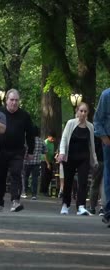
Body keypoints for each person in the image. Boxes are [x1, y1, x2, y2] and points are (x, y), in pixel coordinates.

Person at [0, 89, 34, 212]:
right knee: (0, 176)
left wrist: (31, 151)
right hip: (0, 150)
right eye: (11, 100)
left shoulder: (25, 116)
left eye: (16, 100)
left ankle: (15, 201)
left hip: (17, 151)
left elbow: (30, 134)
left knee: (16, 174)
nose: (14, 103)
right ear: (6, 100)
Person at [58, 102, 97, 215]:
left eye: (85, 111)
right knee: (68, 181)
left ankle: (81, 206)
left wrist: (94, 160)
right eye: (81, 111)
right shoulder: (70, 123)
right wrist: (62, 152)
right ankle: (65, 204)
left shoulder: (90, 126)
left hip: (83, 158)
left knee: (83, 181)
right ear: (77, 111)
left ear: (88, 113)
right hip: (70, 157)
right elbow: (64, 138)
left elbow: (92, 145)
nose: (83, 113)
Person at [92, 88, 110, 226]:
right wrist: (104, 137)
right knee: (109, 176)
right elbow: (97, 120)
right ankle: (109, 212)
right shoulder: (106, 95)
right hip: (108, 141)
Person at [22, 126, 46, 200]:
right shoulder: (41, 141)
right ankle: (34, 194)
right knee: (34, 178)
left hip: (27, 161)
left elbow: (24, 149)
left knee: (25, 177)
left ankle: (24, 192)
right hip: (36, 162)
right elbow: (45, 151)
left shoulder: (27, 140)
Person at [89, 135, 105, 215]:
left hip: (98, 159)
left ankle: (92, 207)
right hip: (105, 159)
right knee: (104, 184)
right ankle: (103, 207)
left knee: (95, 184)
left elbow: (92, 146)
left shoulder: (96, 130)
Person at [40, 132, 56, 196]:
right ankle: (43, 191)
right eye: (52, 138)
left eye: (54, 139)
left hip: (50, 161)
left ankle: (46, 190)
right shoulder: (45, 142)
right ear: (48, 136)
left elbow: (52, 152)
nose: (53, 140)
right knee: (44, 176)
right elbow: (45, 154)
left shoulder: (52, 144)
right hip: (44, 161)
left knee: (49, 176)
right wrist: (48, 163)